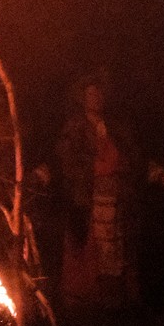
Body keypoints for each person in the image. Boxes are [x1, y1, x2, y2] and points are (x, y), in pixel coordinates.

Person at [53, 71, 144, 310]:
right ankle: (90, 301)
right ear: (82, 98)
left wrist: (119, 163)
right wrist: (94, 168)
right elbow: (67, 161)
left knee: (116, 249)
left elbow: (131, 155)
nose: (95, 98)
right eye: (90, 94)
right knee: (93, 251)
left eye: (98, 94)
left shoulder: (116, 126)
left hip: (117, 198)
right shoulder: (75, 128)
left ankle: (117, 301)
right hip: (89, 200)